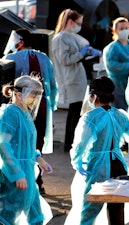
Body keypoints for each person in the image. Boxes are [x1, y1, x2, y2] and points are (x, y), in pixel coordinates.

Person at [67, 76, 129, 224]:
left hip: (98, 167)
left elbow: (81, 144)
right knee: (116, 211)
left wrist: (77, 161)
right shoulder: (120, 115)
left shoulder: (90, 118)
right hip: (119, 166)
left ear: (93, 96)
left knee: (88, 212)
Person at [3, 28, 58, 194]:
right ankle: (37, 181)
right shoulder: (44, 57)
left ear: (20, 42)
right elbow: (53, 86)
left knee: (18, 142)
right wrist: (52, 106)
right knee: (36, 140)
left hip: (19, 106)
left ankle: (20, 177)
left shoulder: (10, 58)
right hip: (42, 105)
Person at [0, 75, 53, 224]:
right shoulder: (10, 113)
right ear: (18, 93)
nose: (36, 98)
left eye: (38, 93)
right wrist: (17, 174)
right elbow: (3, 144)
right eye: (33, 93)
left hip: (27, 172)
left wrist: (38, 158)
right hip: (15, 173)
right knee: (10, 214)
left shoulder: (25, 113)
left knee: (36, 214)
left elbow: (25, 143)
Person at [51, 9, 101, 152]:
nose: (79, 26)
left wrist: (88, 52)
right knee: (75, 111)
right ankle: (70, 143)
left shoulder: (71, 36)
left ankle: (73, 142)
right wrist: (81, 53)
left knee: (77, 111)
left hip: (76, 77)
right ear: (70, 22)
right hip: (70, 79)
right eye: (78, 23)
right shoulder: (61, 38)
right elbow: (65, 59)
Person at [103, 17, 129, 111]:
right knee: (119, 114)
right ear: (115, 31)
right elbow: (112, 67)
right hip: (118, 87)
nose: (124, 31)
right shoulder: (112, 48)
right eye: (121, 29)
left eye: (126, 28)